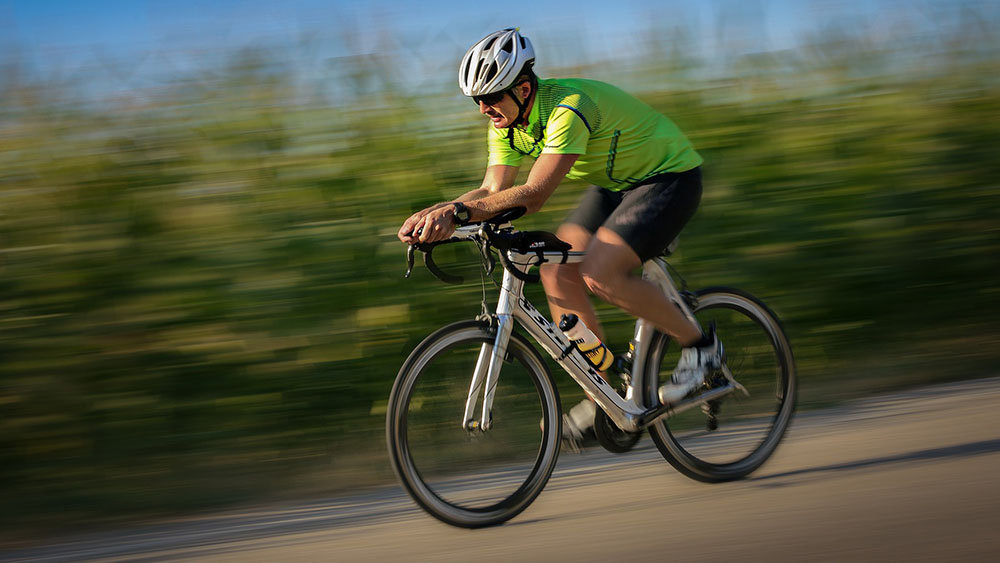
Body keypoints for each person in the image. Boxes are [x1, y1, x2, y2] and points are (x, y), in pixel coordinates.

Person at [397, 28, 722, 445]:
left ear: (525, 88)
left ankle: (701, 347)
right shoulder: (506, 123)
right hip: (616, 184)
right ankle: (602, 396)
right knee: (555, 268)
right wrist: (438, 213)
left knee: (600, 273)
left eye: (492, 97)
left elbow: (533, 195)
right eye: (477, 100)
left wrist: (459, 213)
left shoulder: (569, 106)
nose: (483, 108)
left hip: (669, 177)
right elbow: (493, 192)